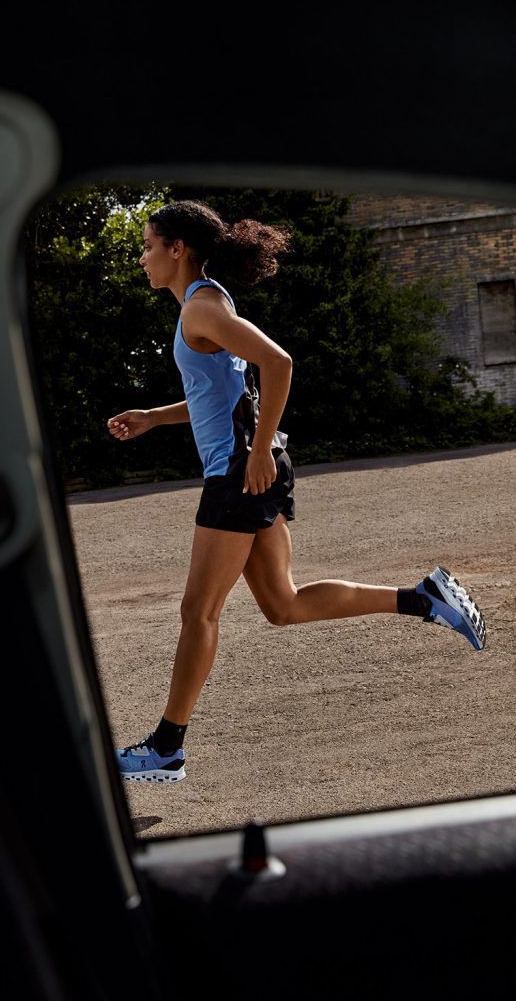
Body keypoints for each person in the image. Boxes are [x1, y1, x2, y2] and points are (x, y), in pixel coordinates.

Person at [107, 199, 487, 784]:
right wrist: (155, 417)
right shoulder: (204, 304)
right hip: (248, 465)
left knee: (197, 612)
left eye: (149, 245)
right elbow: (219, 399)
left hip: (239, 472)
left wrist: (257, 452)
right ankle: (424, 597)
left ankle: (165, 748)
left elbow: (279, 364)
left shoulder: (202, 308)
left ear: (177, 249)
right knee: (281, 605)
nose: (142, 257)